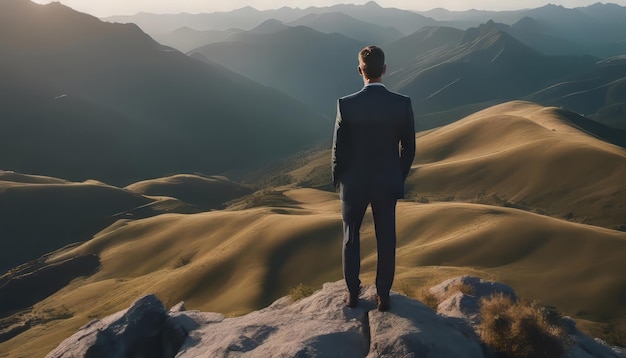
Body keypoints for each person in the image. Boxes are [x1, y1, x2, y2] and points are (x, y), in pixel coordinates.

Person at [332, 45, 415, 311]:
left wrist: (340, 180)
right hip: (386, 183)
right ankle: (383, 296)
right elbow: (409, 148)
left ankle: (353, 294)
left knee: (350, 238)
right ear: (385, 70)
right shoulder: (402, 104)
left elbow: (337, 150)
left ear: (360, 70)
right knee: (386, 239)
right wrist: (396, 177)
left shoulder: (346, 104)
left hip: (353, 183)